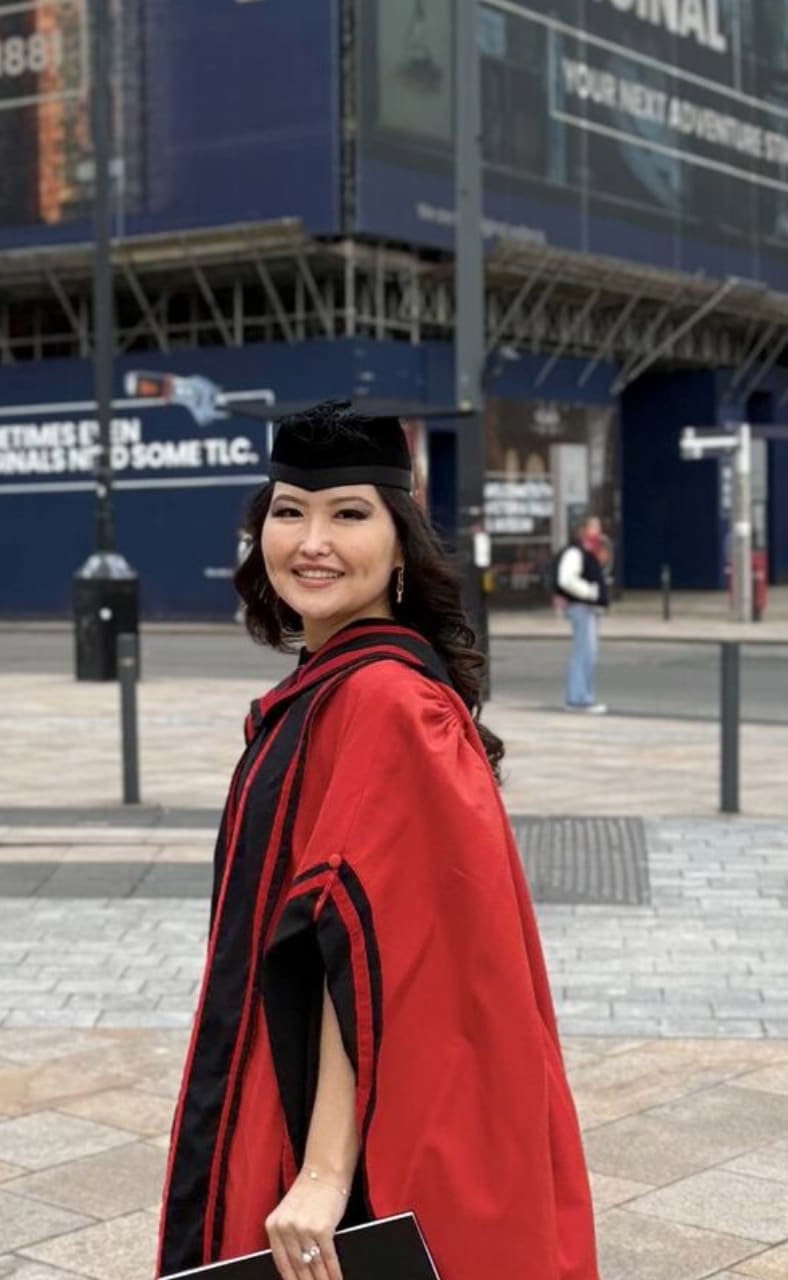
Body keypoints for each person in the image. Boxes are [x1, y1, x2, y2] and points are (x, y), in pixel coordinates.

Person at [158, 402, 596, 1280]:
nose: (311, 540)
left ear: (400, 545)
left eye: (348, 514)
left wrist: (324, 1173)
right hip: (282, 1084)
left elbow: (370, 954)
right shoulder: (332, 683)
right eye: (289, 511)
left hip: (350, 1124)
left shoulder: (390, 703)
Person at [556, 514, 609, 714]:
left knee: (588, 653)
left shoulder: (588, 551)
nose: (599, 532)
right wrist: (589, 592)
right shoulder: (575, 552)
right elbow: (566, 579)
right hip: (581, 608)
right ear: (584, 530)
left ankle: (583, 696)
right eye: (595, 527)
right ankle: (579, 699)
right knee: (584, 653)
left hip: (588, 608)